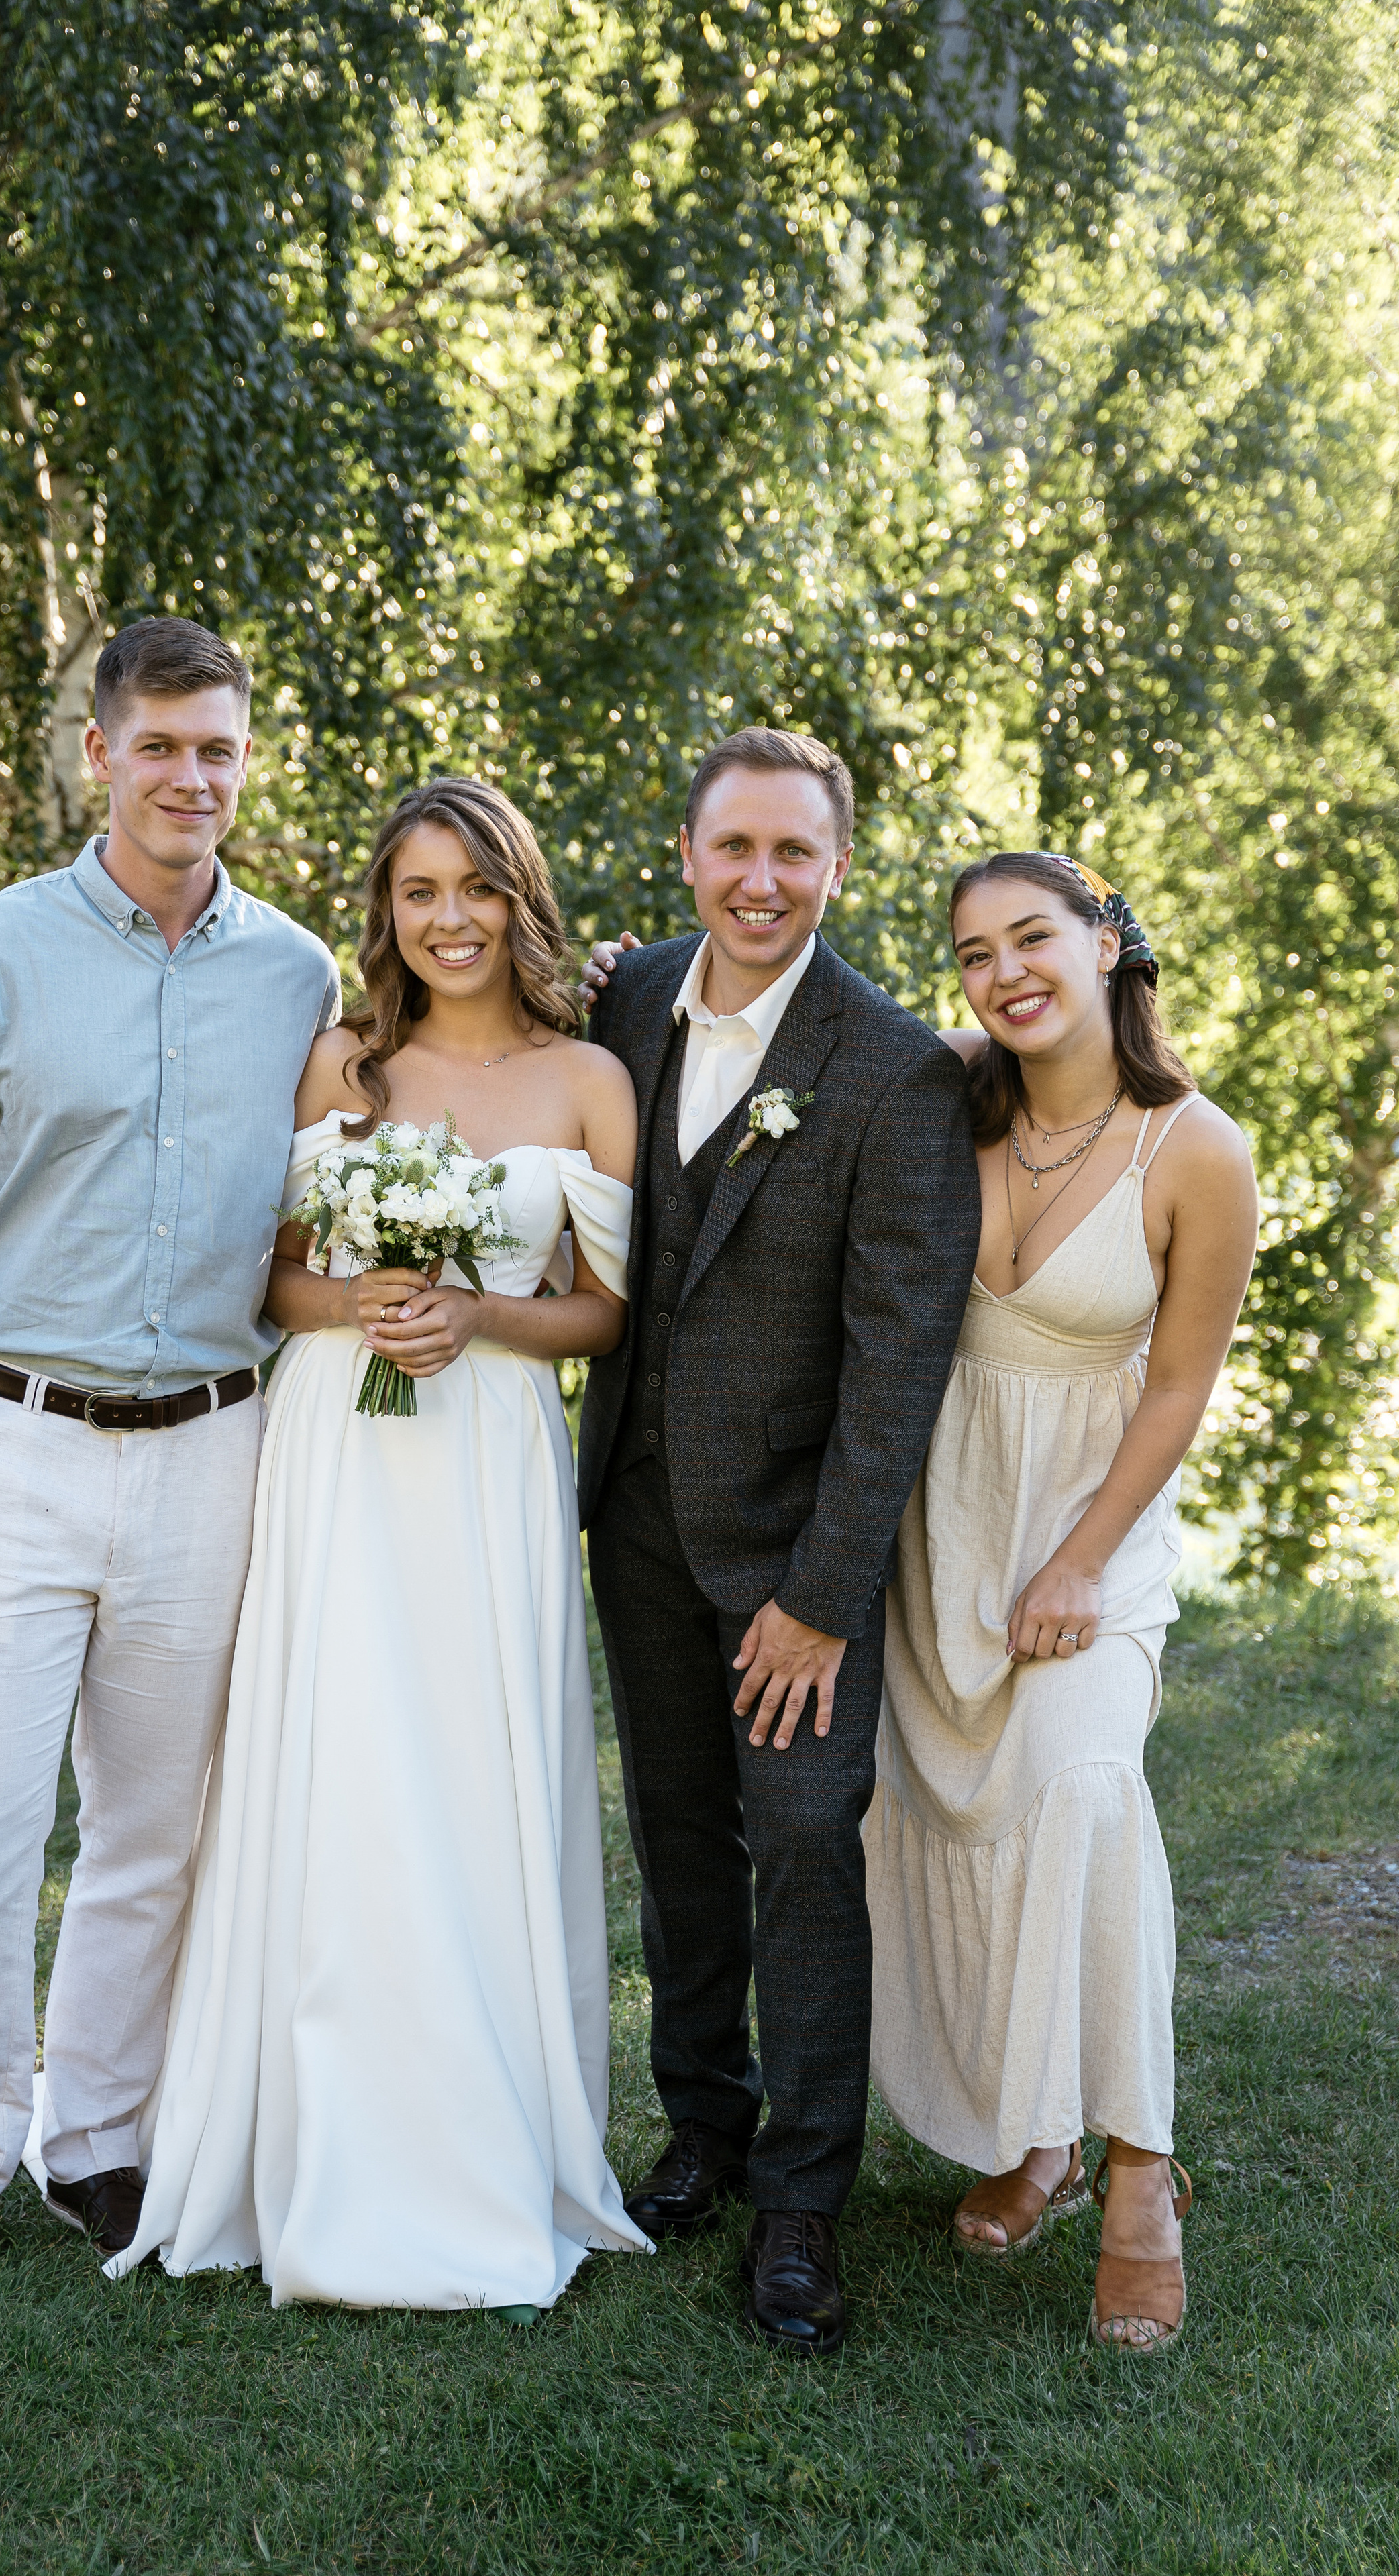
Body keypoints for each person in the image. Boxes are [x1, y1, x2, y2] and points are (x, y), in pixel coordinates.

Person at [0, 617, 340, 2298]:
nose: (191, 777)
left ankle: (99, 2139)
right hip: (11, 1448)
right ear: (98, 754)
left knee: (153, 1832)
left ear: (245, 762)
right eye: (160, 746)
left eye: (218, 749)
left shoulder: (298, 975)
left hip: (212, 1448)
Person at [109, 777, 652, 2314]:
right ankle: (317, 2135)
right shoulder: (338, 1063)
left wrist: (475, 1316)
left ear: (518, 900)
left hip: (487, 1458)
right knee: (338, 1759)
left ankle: (484, 2138)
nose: (448, 918)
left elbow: (603, 1315)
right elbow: (273, 1280)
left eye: (476, 888)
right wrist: (362, 1303)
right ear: (386, 910)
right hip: (336, 1450)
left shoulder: (588, 1079)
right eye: (419, 891)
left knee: (474, 1764)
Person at [577, 727, 982, 2357]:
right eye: (732, 847)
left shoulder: (893, 1069)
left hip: (793, 1551)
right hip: (633, 1518)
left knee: (805, 1847)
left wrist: (820, 1597)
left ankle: (802, 2199)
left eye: (791, 852)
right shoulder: (621, 1001)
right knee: (678, 1838)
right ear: (686, 854)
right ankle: (703, 2124)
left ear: (836, 867)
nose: (759, 881)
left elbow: (898, 1367)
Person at [864, 850, 1257, 2353]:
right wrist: (623, 982)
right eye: (973, 954)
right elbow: (795, 1036)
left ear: (1105, 941)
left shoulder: (1195, 1149)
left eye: (1031, 937)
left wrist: (1083, 1558)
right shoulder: (946, 1102)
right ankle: (1035, 2139)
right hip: (941, 1536)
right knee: (951, 1821)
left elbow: (1178, 1389)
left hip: (1094, 1536)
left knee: (1084, 1793)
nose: (1004, 973)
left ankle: (1139, 2173)